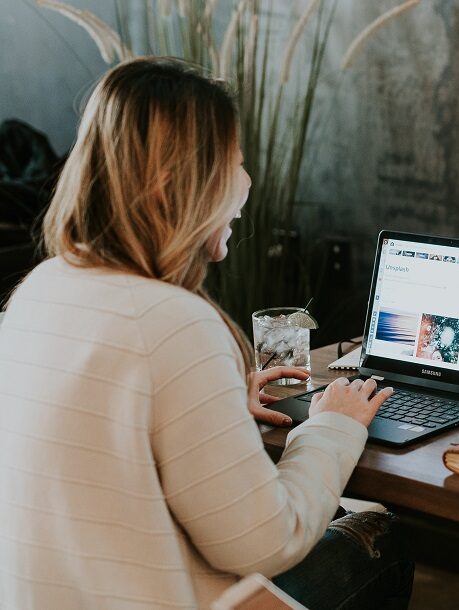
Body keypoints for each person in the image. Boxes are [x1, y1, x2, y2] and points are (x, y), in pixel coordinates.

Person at [0, 57, 413, 609]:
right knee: (383, 536)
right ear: (180, 184)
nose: (246, 183)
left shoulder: (40, 289)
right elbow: (265, 544)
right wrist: (331, 428)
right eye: (235, 163)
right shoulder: (174, 323)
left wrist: (213, 405)